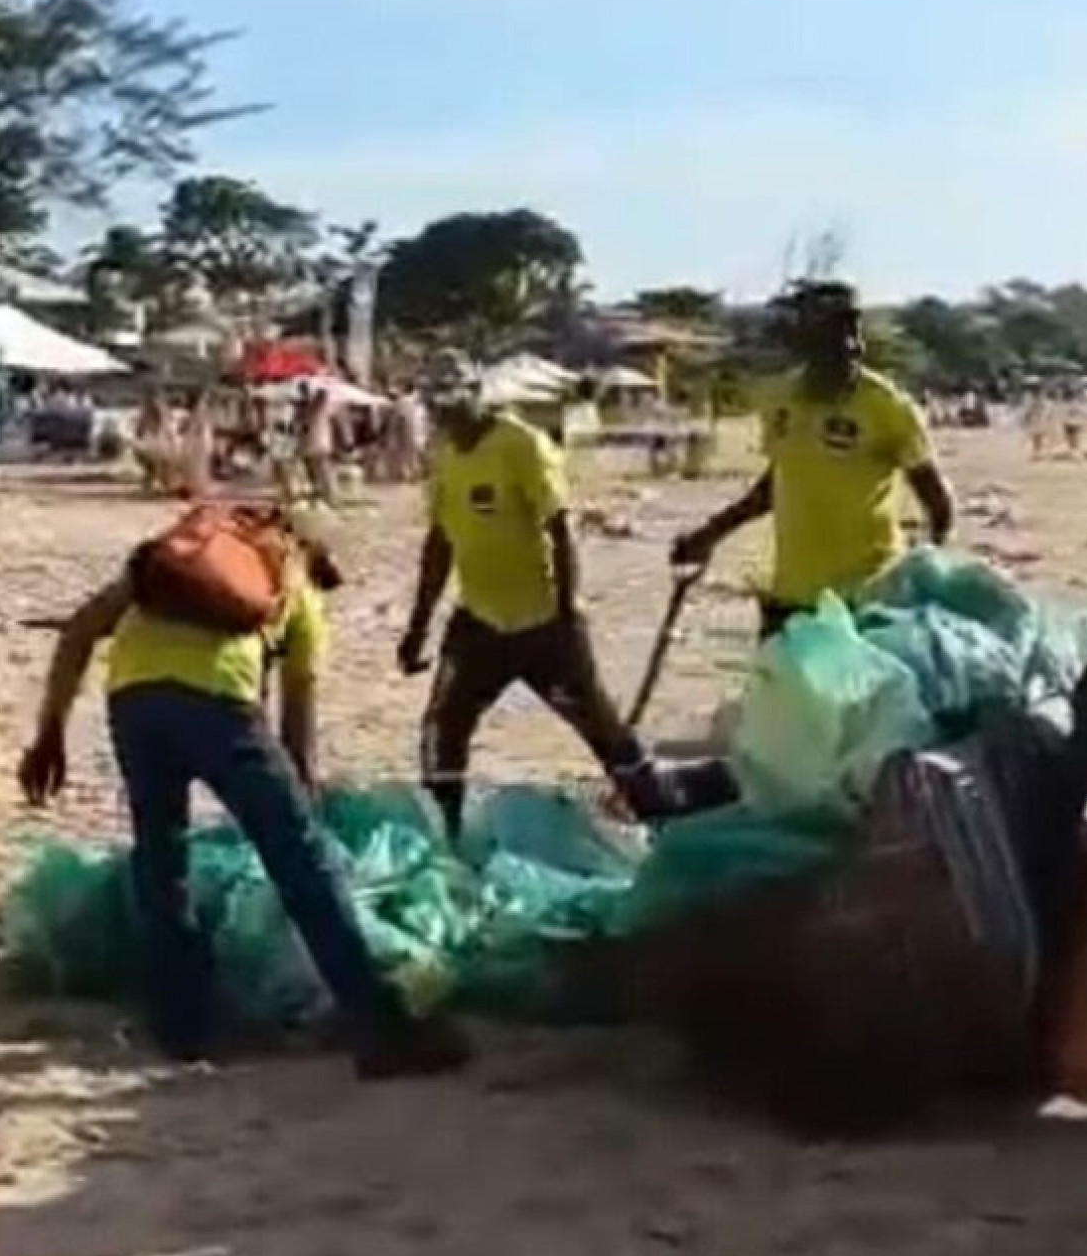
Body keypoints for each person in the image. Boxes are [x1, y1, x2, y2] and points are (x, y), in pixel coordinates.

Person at [18, 515, 469, 1078]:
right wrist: (309, 812)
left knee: (162, 862)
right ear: (316, 557)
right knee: (301, 857)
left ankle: (183, 1031)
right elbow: (297, 740)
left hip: (132, 702)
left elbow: (79, 630)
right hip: (219, 707)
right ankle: (377, 1027)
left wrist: (50, 733)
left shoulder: (184, 558)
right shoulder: (297, 589)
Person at [399, 354, 724, 839]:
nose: (446, 419)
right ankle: (444, 834)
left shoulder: (522, 445)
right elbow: (440, 542)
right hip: (479, 622)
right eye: (436, 409)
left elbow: (560, 528)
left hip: (542, 622)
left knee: (604, 732)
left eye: (452, 406)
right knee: (442, 730)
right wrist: (418, 626)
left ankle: (668, 812)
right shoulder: (445, 454)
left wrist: (568, 611)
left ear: (474, 395)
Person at [672, 281, 955, 639]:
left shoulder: (889, 408)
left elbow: (937, 504)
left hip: (867, 601)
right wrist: (708, 535)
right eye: (833, 337)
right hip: (793, 597)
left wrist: (924, 570)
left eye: (854, 333)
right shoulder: (781, 401)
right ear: (806, 344)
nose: (851, 347)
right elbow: (774, 485)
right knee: (780, 694)